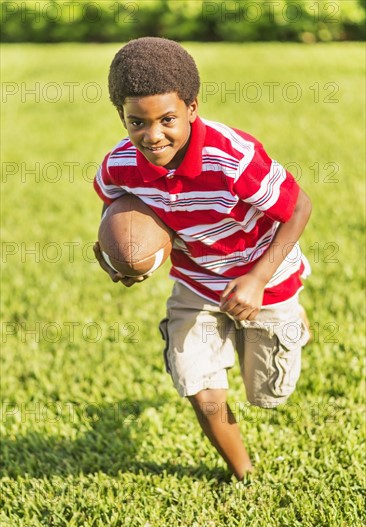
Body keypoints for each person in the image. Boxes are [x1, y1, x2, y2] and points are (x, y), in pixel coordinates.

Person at [93, 37, 312, 481]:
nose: (153, 135)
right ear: (122, 116)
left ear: (192, 107)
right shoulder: (119, 164)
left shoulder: (232, 158)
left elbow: (299, 207)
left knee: (268, 394)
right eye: (137, 122)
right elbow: (114, 206)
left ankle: (293, 325)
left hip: (264, 280)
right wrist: (122, 258)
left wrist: (257, 279)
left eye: (167, 119)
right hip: (196, 284)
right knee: (199, 384)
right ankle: (243, 473)